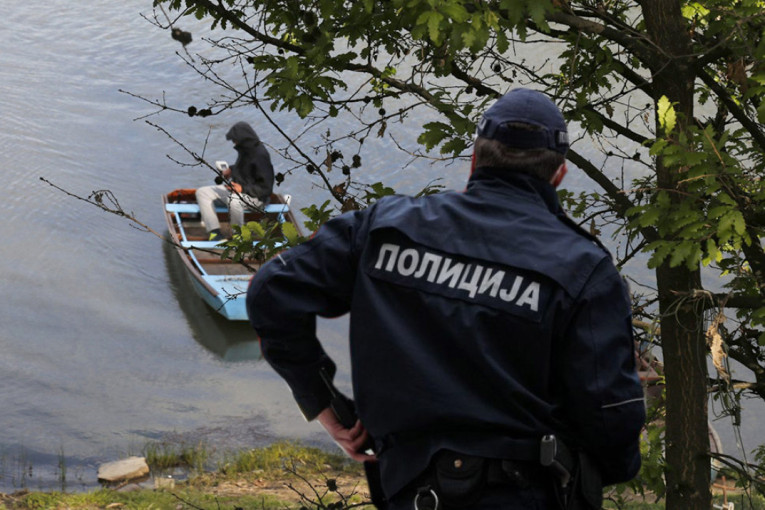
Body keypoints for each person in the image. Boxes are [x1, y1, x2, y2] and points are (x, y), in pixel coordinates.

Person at [247, 88, 646, 510]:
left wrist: (324, 403)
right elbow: (611, 417)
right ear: (558, 174)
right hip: (527, 493)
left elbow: (271, 292)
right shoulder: (583, 269)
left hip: (414, 494)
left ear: (473, 160)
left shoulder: (384, 228)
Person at [196, 121, 275, 241]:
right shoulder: (245, 152)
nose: (234, 143)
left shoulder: (261, 155)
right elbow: (244, 168)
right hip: (237, 191)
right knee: (202, 192)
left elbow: (266, 188)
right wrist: (231, 170)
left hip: (257, 198)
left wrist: (243, 189)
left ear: (243, 139)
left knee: (234, 201)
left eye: (235, 140)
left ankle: (238, 236)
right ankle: (215, 232)